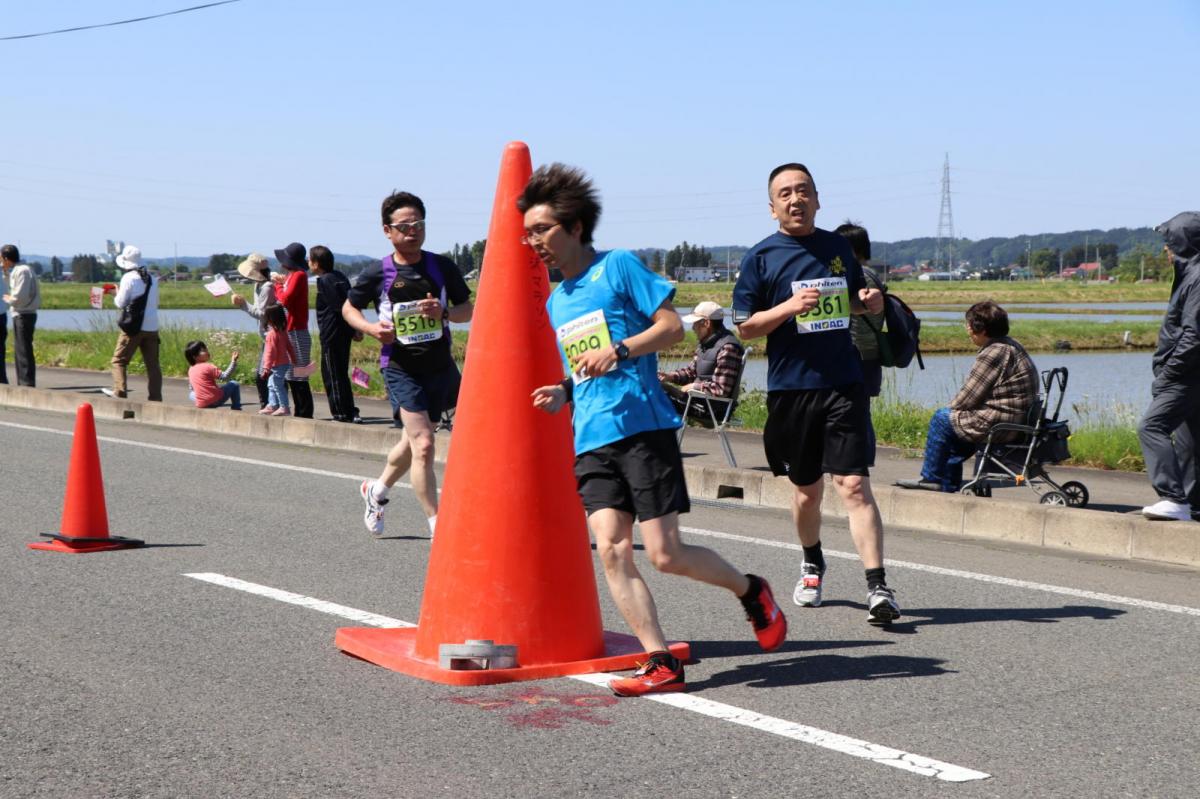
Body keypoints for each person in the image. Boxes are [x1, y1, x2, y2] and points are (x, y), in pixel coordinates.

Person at [524, 163, 786, 697]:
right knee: (612, 550)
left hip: (644, 428)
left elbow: (670, 327)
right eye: (528, 233)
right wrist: (565, 390)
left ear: (575, 227)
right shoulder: (556, 302)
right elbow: (585, 366)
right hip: (591, 438)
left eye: (543, 229)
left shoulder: (618, 267)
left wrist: (619, 348)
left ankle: (751, 590)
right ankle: (659, 660)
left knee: (665, 555)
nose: (535, 243)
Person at [732, 162, 899, 627]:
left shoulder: (836, 247)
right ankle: (811, 562)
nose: (795, 199)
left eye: (803, 191)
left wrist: (866, 304)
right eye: (785, 193)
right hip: (791, 389)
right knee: (807, 494)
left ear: (818, 199)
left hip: (843, 383)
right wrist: (787, 306)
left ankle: (878, 586)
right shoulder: (760, 258)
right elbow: (744, 327)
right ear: (772, 208)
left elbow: (847, 299)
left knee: (853, 485)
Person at [344, 191, 473, 538]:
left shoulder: (442, 267)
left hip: (439, 365)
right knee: (426, 444)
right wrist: (371, 329)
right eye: (404, 226)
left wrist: (444, 313)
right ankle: (438, 524)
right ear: (388, 230)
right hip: (399, 365)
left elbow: (468, 310)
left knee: (414, 441)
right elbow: (348, 309)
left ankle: (377, 490)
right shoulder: (378, 272)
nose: (412, 231)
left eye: (418, 224)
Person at [895, 301, 1037, 493]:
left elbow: (966, 398)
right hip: (1014, 419)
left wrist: (949, 412)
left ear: (981, 329)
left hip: (1000, 423)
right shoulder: (1010, 345)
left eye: (969, 325)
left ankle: (931, 477)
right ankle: (948, 482)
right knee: (953, 424)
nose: (967, 329)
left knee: (941, 418)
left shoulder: (994, 352)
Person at [1137, 211, 1200, 522]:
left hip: (1185, 375)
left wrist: (1169, 373)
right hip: (1189, 374)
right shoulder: (1190, 273)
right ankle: (1192, 503)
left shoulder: (1198, 278)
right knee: (1191, 441)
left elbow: (1194, 336)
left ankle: (1173, 498)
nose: (1166, 248)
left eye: (1170, 241)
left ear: (1184, 241)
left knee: (1151, 427)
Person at [835, 222, 886, 466]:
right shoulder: (871, 274)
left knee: (857, 412)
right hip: (869, 354)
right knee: (859, 411)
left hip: (860, 354)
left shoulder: (861, 277)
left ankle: (861, 462)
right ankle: (861, 462)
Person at [657, 300, 745, 427]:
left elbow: (721, 390)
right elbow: (691, 372)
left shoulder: (728, 348)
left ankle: (655, 443)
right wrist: (669, 376)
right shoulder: (706, 344)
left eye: (695, 324)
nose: (692, 328)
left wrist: (695, 386)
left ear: (707, 323)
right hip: (699, 401)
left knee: (655, 394)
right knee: (654, 387)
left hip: (712, 410)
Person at [309, 244, 361, 423]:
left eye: (310, 260)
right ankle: (350, 410)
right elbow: (350, 304)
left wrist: (355, 326)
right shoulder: (340, 277)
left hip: (332, 333)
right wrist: (355, 327)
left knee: (332, 374)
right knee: (341, 373)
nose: (309, 263)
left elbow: (339, 307)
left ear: (316, 264)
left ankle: (340, 413)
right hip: (344, 332)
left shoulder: (325, 281)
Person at [104, 245, 161, 400]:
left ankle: (120, 391)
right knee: (153, 366)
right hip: (152, 326)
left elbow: (121, 303)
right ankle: (156, 398)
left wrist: (115, 292)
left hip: (133, 327)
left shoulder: (128, 278)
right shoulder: (152, 279)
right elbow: (156, 302)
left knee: (119, 360)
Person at [272, 242, 314, 419]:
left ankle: (304, 413)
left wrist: (277, 286)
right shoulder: (292, 275)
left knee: (299, 374)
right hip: (291, 330)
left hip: (296, 330)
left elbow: (285, 299)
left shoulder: (299, 275)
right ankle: (300, 412)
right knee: (291, 374)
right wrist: (282, 283)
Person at [231, 253, 277, 409]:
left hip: (272, 336)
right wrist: (244, 304)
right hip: (266, 336)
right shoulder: (258, 285)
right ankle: (269, 406)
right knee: (267, 375)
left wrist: (243, 304)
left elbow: (261, 313)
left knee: (262, 376)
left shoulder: (268, 287)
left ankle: (268, 406)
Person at [1, 244, 40, 387]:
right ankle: (23, 381)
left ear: (6, 258)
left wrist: (10, 299)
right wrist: (5, 272)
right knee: (20, 349)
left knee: (23, 350)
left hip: (24, 314)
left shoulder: (22, 271)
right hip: (22, 314)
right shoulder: (19, 269)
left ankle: (26, 383)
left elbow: (20, 295)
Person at [259, 305, 297, 416]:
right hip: (283, 364)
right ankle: (272, 405)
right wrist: (293, 359)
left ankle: (284, 407)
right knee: (271, 384)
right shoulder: (282, 331)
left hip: (278, 365)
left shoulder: (271, 334)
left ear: (270, 319)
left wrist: (266, 367)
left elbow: (270, 353)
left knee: (277, 385)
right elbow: (289, 346)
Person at [185, 340, 242, 410]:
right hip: (215, 401)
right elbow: (224, 376)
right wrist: (233, 361)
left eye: (206, 349)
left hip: (201, 404)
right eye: (203, 351)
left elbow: (191, 387)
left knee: (191, 394)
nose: (207, 352)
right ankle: (236, 408)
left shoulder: (191, 369)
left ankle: (205, 401)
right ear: (195, 356)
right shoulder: (208, 366)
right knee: (234, 384)